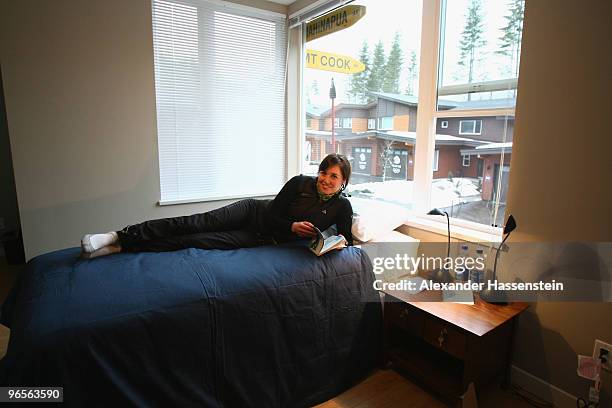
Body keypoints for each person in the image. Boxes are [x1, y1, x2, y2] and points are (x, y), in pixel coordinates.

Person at [80, 154, 353, 258]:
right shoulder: (299, 183)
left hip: (259, 239)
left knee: (197, 240)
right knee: (193, 222)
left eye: (333, 177)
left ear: (343, 182)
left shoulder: (342, 206)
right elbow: (271, 216)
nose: (325, 180)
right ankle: (118, 234)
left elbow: (347, 240)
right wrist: (292, 227)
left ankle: (123, 247)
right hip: (253, 213)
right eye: (323, 172)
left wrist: (334, 243)